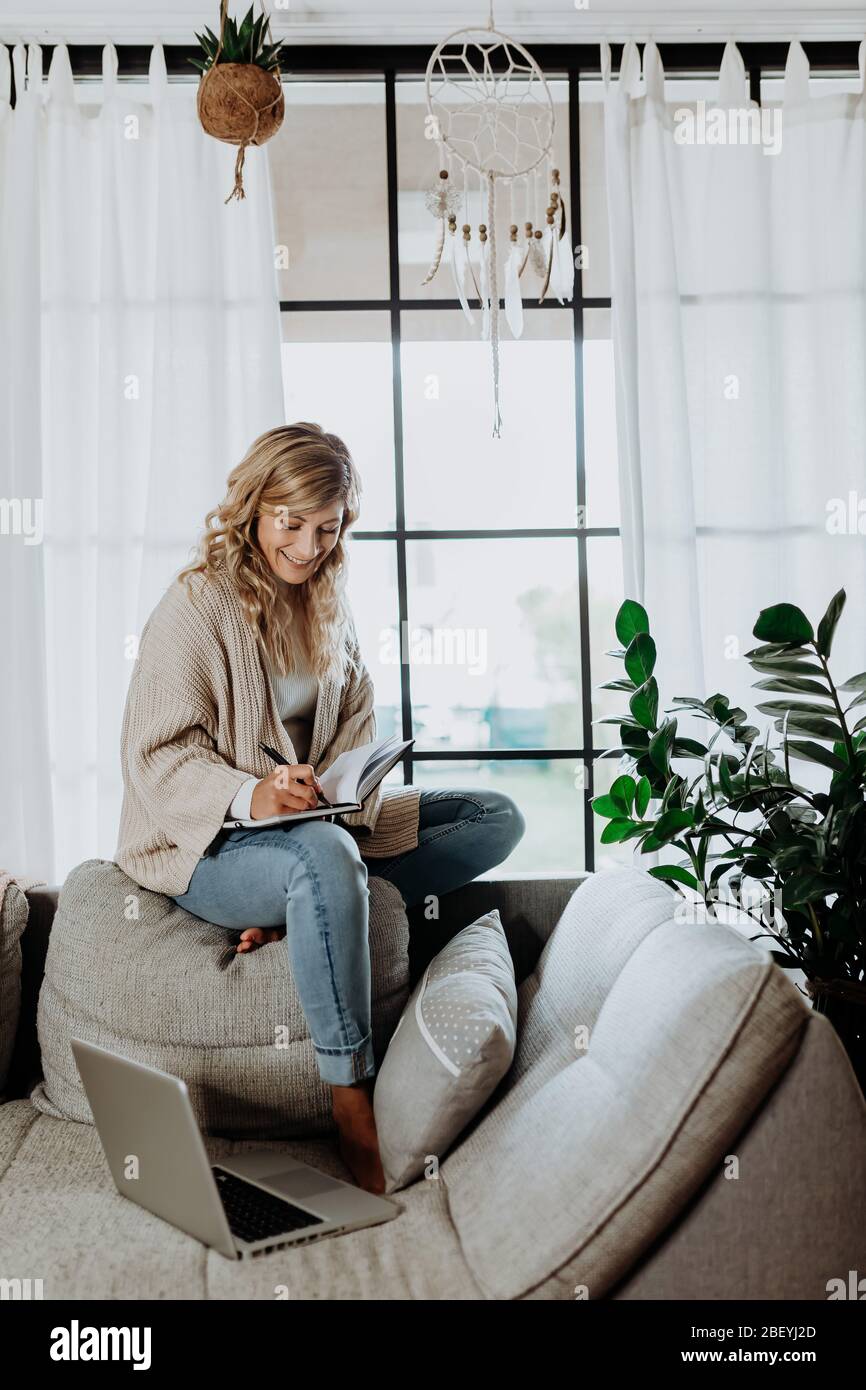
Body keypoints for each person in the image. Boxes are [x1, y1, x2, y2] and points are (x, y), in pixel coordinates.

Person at [115, 422, 526, 1192]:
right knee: (328, 860)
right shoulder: (196, 606)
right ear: (253, 509)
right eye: (291, 524)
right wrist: (251, 794)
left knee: (494, 816)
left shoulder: (329, 608)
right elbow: (156, 753)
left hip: (318, 831)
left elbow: (353, 728)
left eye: (327, 529)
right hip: (211, 846)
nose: (307, 547)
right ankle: (348, 1092)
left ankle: (305, 911)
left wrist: (346, 783)